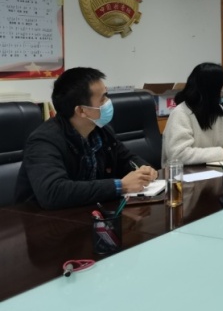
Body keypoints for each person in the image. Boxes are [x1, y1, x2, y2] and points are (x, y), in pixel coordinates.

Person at [15, 67, 157, 210]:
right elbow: (53, 192)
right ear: (81, 110)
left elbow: (126, 159)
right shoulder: (44, 140)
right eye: (103, 98)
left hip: (89, 211)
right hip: (43, 219)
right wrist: (120, 186)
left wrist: (144, 170)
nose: (108, 102)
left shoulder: (101, 130)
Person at [162, 62, 223, 165]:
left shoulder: (218, 109)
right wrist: (222, 153)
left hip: (213, 169)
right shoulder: (180, 113)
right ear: (211, 88)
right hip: (184, 173)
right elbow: (178, 154)